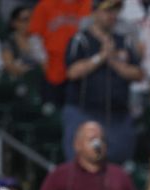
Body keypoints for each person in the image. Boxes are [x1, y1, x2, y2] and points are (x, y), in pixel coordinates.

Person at [61, 0, 144, 165]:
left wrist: (113, 61)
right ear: (94, 13)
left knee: (117, 166)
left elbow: (138, 73)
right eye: (107, 11)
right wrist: (100, 57)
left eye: (114, 11)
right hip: (84, 112)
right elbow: (72, 72)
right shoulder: (81, 39)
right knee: (81, 162)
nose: (111, 15)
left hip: (118, 115)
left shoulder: (124, 41)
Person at [29, 0, 92, 106]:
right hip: (54, 66)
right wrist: (43, 60)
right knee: (53, 109)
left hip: (80, 66)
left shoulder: (87, 4)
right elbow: (34, 38)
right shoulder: (45, 5)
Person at [1, 5, 47, 78]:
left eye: (32, 19)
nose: (30, 22)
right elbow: (8, 66)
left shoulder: (39, 39)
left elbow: (46, 64)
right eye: (25, 19)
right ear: (14, 23)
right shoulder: (9, 42)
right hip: (19, 81)